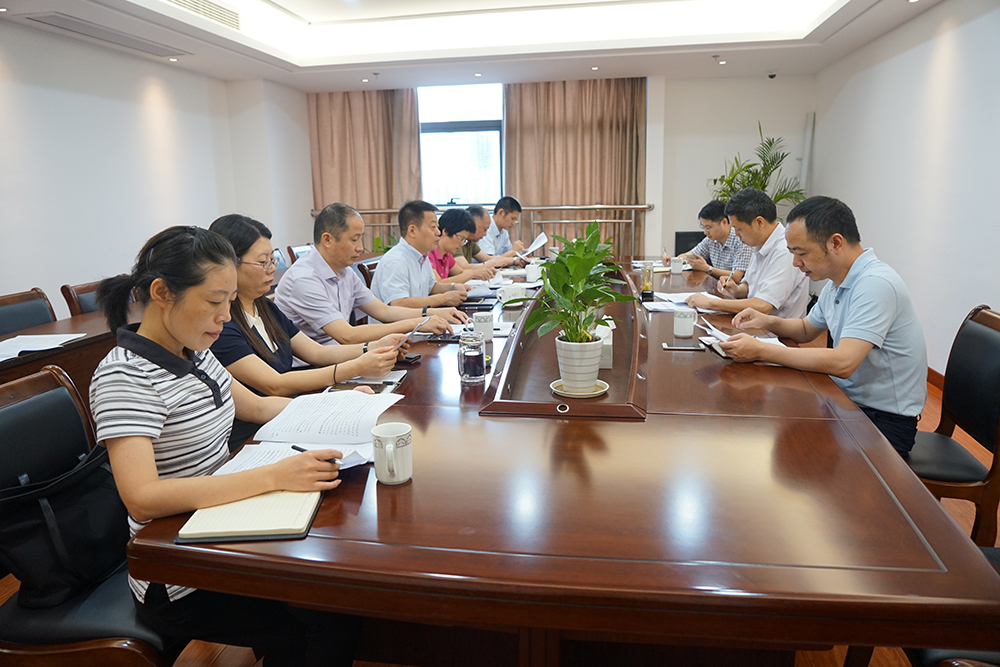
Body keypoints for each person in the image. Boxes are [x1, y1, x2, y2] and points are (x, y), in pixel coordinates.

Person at [90, 226, 359, 666]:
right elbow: (142, 497)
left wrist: (339, 405)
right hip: (177, 570)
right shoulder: (125, 377)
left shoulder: (193, 349)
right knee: (327, 615)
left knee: (331, 582)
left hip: (223, 525)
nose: (225, 316)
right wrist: (274, 476)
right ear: (162, 293)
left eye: (230, 301)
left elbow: (256, 405)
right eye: (215, 302)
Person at [719, 196, 927, 456]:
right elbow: (806, 330)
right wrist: (766, 320)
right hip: (845, 401)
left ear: (835, 243)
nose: (796, 263)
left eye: (801, 253)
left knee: (789, 447)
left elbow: (844, 362)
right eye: (792, 253)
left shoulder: (875, 284)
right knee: (768, 426)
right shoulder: (836, 283)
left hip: (882, 421)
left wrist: (761, 350)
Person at [209, 214, 404, 446]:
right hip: (257, 433)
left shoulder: (265, 307)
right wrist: (357, 366)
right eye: (263, 262)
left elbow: (316, 352)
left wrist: (373, 347)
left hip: (291, 413)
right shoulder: (223, 325)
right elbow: (274, 384)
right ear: (229, 266)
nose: (272, 269)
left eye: (273, 260)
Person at [275, 202, 459, 346]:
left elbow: (383, 311)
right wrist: (418, 323)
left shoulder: (345, 272)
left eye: (360, 238)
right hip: (313, 367)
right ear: (327, 239)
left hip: (342, 354)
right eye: (354, 239)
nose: (360, 247)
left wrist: (431, 314)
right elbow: (346, 335)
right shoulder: (304, 279)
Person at [686, 188, 809, 318]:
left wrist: (711, 303)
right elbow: (749, 287)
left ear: (759, 222)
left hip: (773, 329)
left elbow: (763, 306)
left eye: (739, 229)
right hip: (753, 324)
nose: (736, 234)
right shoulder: (760, 244)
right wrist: (736, 290)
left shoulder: (784, 250)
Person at [369, 201, 473, 314]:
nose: (438, 232)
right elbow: (398, 303)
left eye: (437, 227)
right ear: (412, 231)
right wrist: (443, 299)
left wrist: (453, 287)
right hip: (399, 325)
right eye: (433, 227)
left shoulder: (422, 256)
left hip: (418, 320)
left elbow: (431, 287)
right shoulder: (396, 261)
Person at [662, 200, 752, 282]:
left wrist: (707, 268)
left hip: (736, 291)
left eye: (708, 227)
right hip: (719, 287)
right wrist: (675, 260)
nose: (705, 232)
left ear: (724, 222)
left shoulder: (741, 240)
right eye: (704, 227)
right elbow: (689, 255)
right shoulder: (711, 240)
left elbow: (736, 276)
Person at [429, 208, 496, 283]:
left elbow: (460, 272)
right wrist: (472, 274)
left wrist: (480, 271)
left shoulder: (447, 255)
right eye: (461, 238)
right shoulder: (429, 253)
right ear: (446, 232)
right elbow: (437, 284)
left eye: (464, 240)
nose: (461, 244)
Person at [452, 204, 519, 272]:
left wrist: (515, 260)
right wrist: (492, 263)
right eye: (484, 229)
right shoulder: (456, 239)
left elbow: (486, 258)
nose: (485, 234)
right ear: (473, 223)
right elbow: (464, 267)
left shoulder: (470, 241)